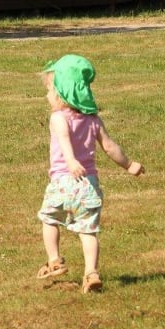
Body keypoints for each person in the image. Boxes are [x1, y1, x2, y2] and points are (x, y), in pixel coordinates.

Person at [36, 54, 144, 293]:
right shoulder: (93, 120)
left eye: (49, 91)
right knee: (88, 230)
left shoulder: (57, 118)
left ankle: (54, 259)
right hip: (88, 185)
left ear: (62, 93)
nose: (47, 96)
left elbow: (64, 140)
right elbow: (110, 146)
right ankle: (91, 273)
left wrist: (71, 160)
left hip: (63, 181)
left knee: (49, 219)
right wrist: (129, 165)